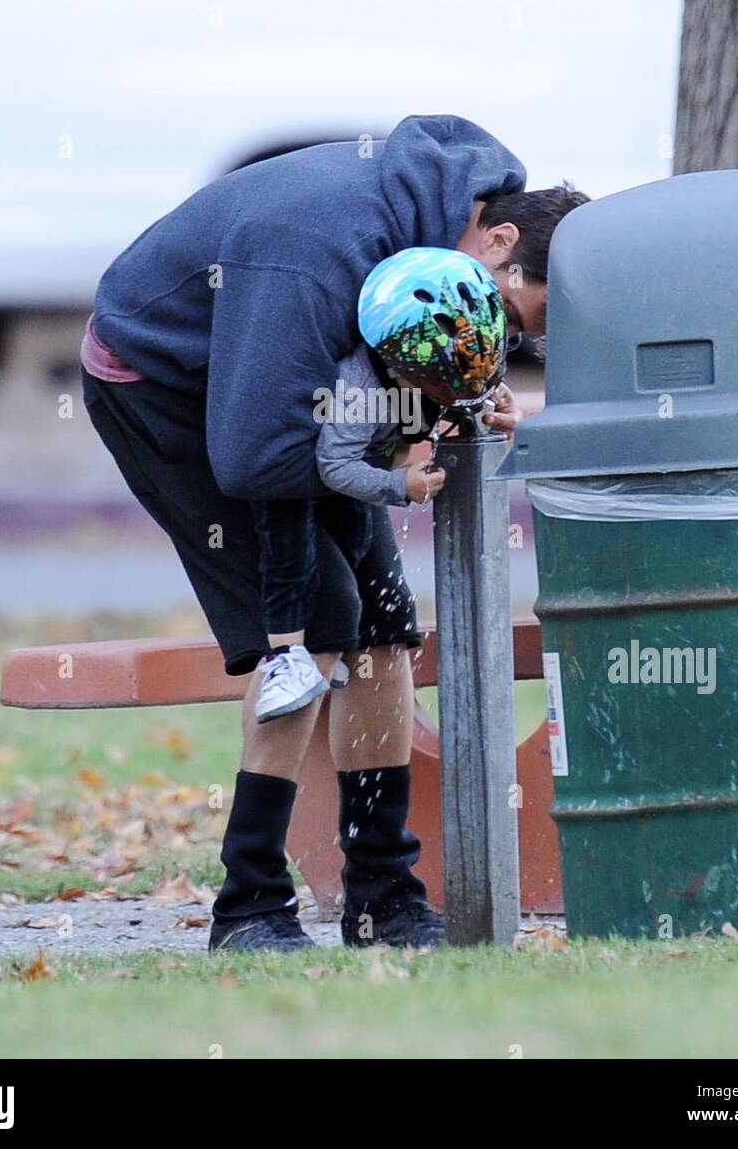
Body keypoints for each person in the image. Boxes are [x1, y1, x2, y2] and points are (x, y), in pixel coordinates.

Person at [79, 113, 588, 952]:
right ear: (496, 241)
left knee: (380, 629)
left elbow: (383, 359)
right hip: (173, 391)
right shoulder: (313, 251)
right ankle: (248, 908)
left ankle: (381, 894)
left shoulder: (450, 229)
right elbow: (253, 455)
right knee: (315, 627)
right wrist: (396, 457)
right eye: (514, 316)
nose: (505, 343)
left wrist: (454, 400)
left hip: (295, 394)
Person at [251, 247, 509, 727]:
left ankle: (342, 656)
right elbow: (335, 465)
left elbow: (475, 381)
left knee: (360, 544)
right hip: (293, 476)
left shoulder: (463, 349)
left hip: (363, 467)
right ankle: (287, 657)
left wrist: (487, 400)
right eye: (435, 384)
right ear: (396, 358)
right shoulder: (360, 386)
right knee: (293, 557)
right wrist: (398, 484)